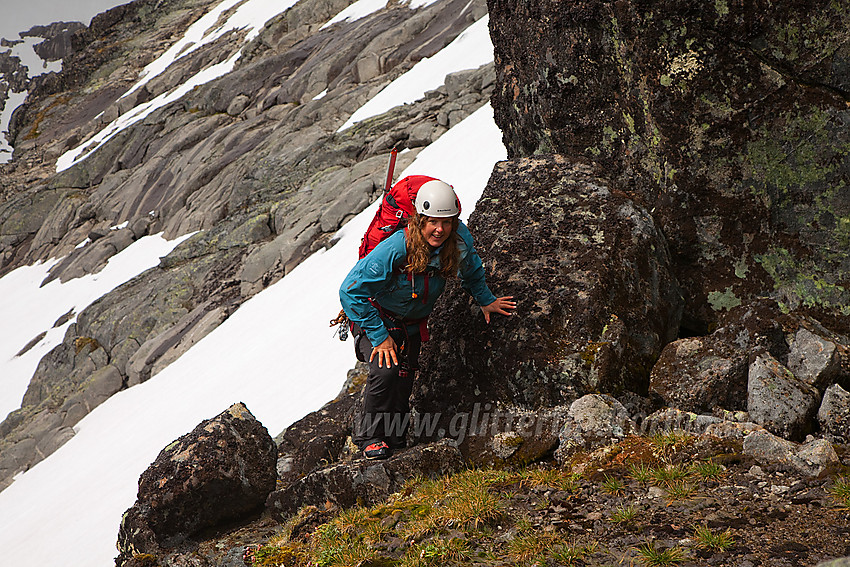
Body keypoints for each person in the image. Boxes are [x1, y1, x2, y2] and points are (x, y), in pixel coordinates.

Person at [339, 179, 516, 460]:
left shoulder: (458, 242)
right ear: (420, 220)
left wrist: (486, 300)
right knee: (386, 370)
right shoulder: (398, 246)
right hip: (375, 318)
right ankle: (370, 438)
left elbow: (471, 271)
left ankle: (394, 439)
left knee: (405, 377)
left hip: (410, 324)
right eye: (433, 222)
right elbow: (350, 292)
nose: (439, 229)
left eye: (446, 222)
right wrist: (379, 336)